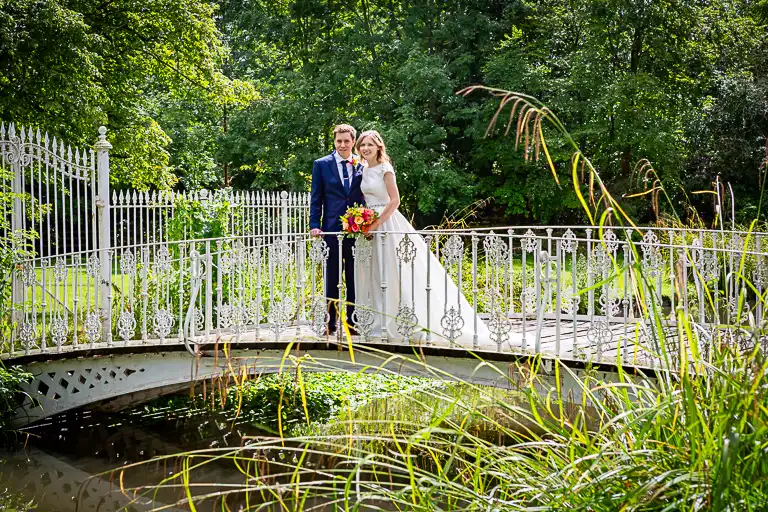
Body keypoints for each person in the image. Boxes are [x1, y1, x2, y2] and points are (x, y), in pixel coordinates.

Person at [353, 130, 490, 346]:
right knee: (375, 273)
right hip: (368, 225)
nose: (366, 148)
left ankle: (404, 322)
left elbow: (395, 200)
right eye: (362, 145)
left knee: (394, 271)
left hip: (387, 223)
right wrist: (361, 220)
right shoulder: (363, 170)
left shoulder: (385, 169)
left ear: (379, 146)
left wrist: (376, 223)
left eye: (370, 144)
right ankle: (378, 322)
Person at [309, 124, 365, 334]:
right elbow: (316, 198)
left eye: (346, 141)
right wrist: (315, 225)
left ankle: (352, 323)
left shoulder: (362, 164)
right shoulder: (321, 165)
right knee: (331, 277)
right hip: (331, 230)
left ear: (353, 142)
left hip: (356, 231)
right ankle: (330, 323)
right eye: (339, 141)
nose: (342, 145)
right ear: (334, 141)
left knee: (353, 278)